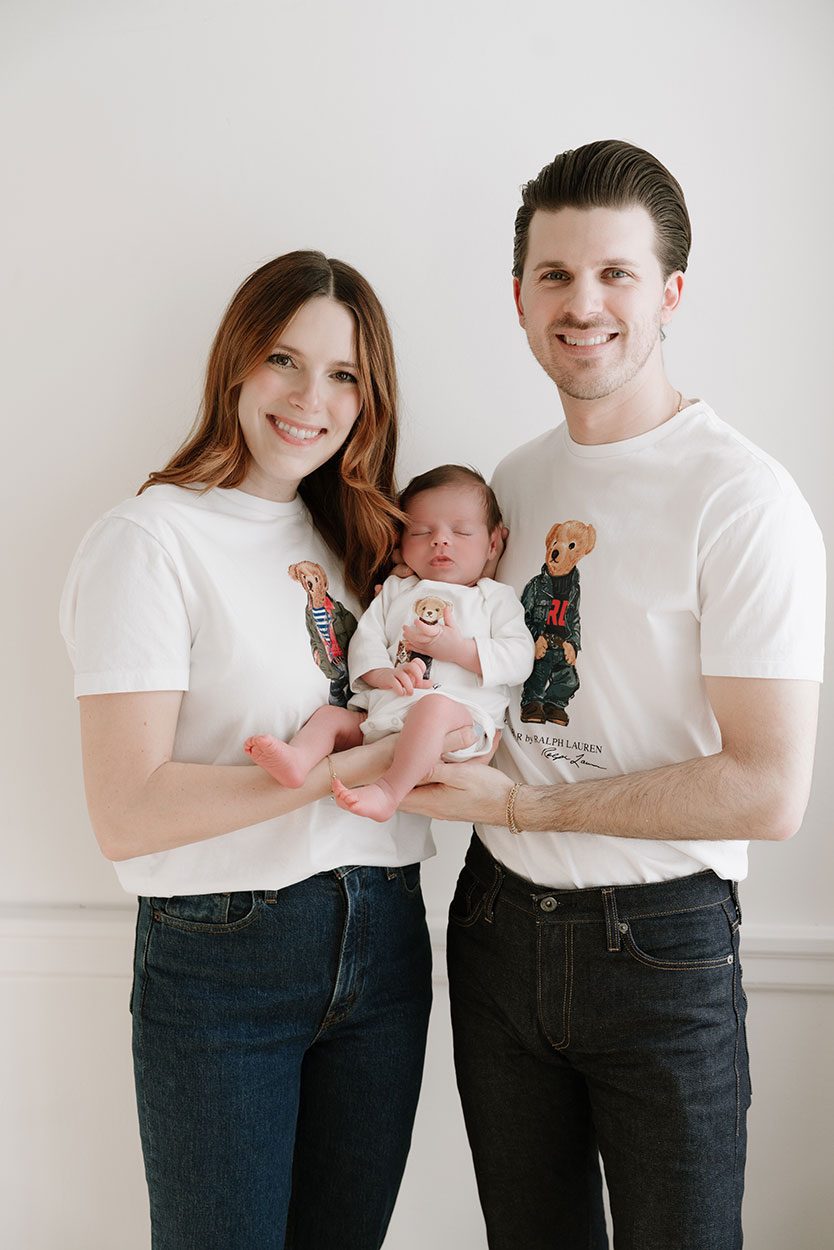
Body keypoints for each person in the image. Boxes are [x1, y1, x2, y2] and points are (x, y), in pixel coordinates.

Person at [402, 141, 826, 1250]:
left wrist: (524, 805)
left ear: (670, 293)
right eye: (555, 274)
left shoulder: (744, 500)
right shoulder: (512, 482)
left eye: (615, 274)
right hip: (495, 928)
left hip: (661, 946)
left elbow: (768, 789)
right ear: (518, 295)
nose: (582, 304)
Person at [59, 251, 472, 1250]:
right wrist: (344, 773)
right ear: (237, 361)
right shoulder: (150, 540)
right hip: (226, 953)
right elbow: (127, 812)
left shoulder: (368, 544)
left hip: (385, 937)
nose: (309, 399)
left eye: (343, 375)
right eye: (284, 359)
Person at [245, 465, 534, 821]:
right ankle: (299, 759)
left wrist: (460, 650)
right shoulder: (396, 589)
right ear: (401, 543)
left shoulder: (494, 598)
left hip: (460, 724)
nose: (440, 540)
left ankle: (388, 791)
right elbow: (367, 637)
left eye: (461, 532)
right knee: (330, 716)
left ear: (492, 545)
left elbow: (520, 658)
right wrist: (382, 674)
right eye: (422, 531)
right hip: (385, 718)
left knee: (434, 708)